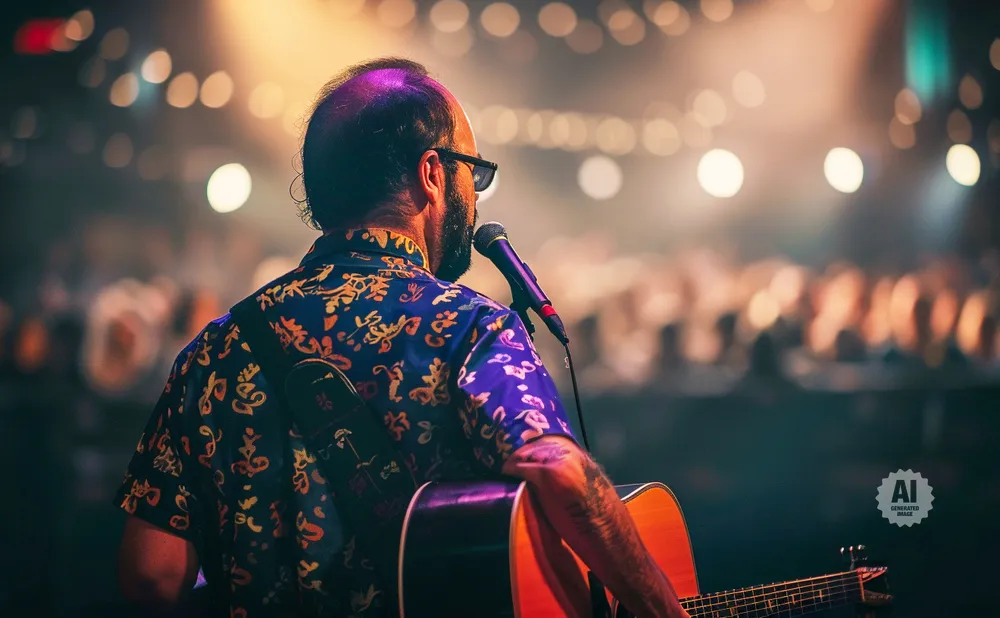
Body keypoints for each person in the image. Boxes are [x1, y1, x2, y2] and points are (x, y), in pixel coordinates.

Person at [114, 57, 689, 618]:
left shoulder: (214, 350)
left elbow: (151, 574)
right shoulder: (468, 326)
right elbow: (558, 470)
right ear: (433, 174)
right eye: (474, 172)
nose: (475, 193)